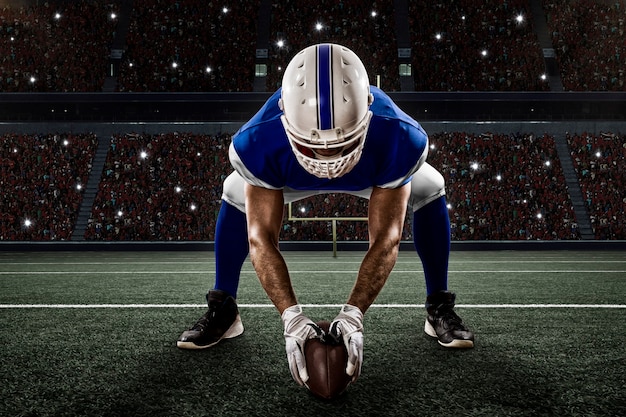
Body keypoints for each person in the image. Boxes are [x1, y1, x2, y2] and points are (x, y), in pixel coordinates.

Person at [177, 43, 474, 386]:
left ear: (370, 110)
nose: (326, 158)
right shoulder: (258, 139)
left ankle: (438, 303)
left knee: (431, 185)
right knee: (234, 191)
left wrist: (353, 316)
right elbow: (261, 239)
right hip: (291, 175)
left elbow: (387, 238)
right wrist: (291, 318)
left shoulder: (398, 134)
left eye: (341, 144)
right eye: (312, 145)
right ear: (283, 113)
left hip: (369, 172)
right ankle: (224, 306)